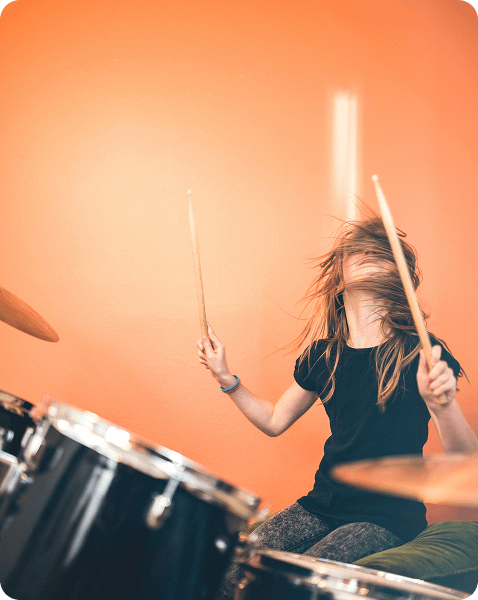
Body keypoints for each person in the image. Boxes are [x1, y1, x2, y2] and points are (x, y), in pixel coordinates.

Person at [196, 215, 478, 600]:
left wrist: (441, 405)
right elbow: (274, 420)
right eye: (358, 249)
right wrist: (226, 377)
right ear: (339, 279)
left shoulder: (422, 352)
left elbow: (465, 457)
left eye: (381, 250)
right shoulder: (323, 355)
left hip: (386, 518)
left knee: (299, 582)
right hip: (320, 504)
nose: (368, 252)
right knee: (236, 563)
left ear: (400, 277)